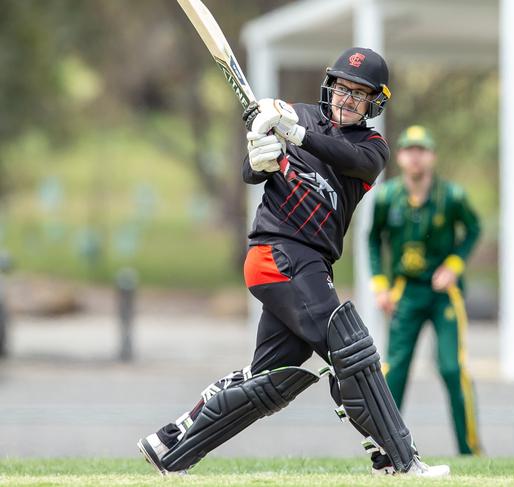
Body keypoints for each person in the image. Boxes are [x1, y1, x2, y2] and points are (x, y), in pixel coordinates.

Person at [136, 48, 450, 478]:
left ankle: (171, 444)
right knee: (349, 348)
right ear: (329, 88)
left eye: (358, 95)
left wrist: (295, 133)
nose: (346, 101)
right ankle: (399, 460)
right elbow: (251, 171)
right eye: (342, 89)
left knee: (268, 378)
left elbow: (343, 157)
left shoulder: (372, 147)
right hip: (280, 253)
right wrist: (258, 156)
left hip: (307, 262)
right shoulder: (298, 115)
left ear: (373, 103)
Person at [368, 125, 482, 455]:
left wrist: (454, 265)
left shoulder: (452, 197)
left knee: (451, 367)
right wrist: (380, 285)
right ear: (400, 156)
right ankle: (386, 449)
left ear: (431, 156)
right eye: (409, 150)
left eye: (422, 150)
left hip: (444, 293)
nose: (415, 157)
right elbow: (373, 240)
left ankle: (470, 450)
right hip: (406, 290)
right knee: (395, 369)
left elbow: (473, 230)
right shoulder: (388, 197)